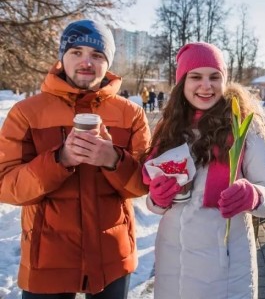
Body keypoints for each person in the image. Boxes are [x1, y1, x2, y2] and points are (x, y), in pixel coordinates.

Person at [0, 19, 151, 298]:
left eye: (97, 55)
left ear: (108, 62)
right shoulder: (26, 113)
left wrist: (113, 160)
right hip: (47, 261)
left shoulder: (131, 115)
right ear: (62, 57)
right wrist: (60, 159)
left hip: (112, 259)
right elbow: (6, 186)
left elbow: (142, 185)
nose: (86, 62)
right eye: (76, 52)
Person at [141, 42, 265, 299]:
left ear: (224, 81)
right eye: (196, 77)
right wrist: (156, 199)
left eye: (214, 77)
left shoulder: (245, 127)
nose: (206, 86)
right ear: (182, 82)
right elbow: (156, 202)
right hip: (171, 267)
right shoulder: (169, 129)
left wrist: (253, 196)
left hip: (224, 272)